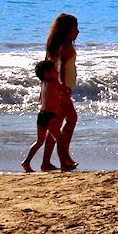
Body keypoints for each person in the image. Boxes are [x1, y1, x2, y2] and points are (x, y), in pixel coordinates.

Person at [41, 13, 79, 169]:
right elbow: (60, 68)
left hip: (52, 88)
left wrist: (44, 90)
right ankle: (64, 159)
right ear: (67, 29)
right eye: (75, 28)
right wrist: (63, 88)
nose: (78, 32)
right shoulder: (66, 46)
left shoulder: (54, 44)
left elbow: (46, 68)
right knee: (71, 120)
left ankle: (47, 162)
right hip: (60, 90)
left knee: (56, 125)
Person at [23, 60, 72, 172]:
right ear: (47, 74)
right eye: (54, 70)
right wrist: (67, 89)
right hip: (50, 116)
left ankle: (26, 162)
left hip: (42, 116)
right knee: (60, 140)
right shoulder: (54, 83)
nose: (57, 72)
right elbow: (65, 92)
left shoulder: (44, 83)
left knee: (40, 141)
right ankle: (64, 164)